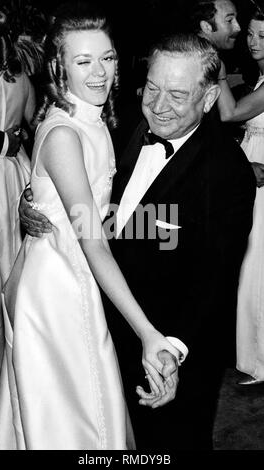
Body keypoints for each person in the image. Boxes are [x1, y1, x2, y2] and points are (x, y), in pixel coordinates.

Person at [19, 32, 256, 450]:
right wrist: (35, 199)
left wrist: (171, 349)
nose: (159, 106)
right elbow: (78, 185)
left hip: (169, 343)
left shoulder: (227, 173)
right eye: (152, 88)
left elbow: (214, 282)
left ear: (208, 98)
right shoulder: (122, 122)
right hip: (97, 324)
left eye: (178, 95)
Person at [0, 2, 178, 450]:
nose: (100, 73)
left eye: (108, 58)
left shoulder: (88, 120)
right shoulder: (66, 133)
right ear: (59, 67)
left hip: (69, 275)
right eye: (83, 61)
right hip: (56, 290)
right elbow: (94, 244)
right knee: (71, 415)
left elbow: (75, 209)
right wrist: (149, 333)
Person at [0, 1, 35, 402]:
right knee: (14, 271)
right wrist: (9, 136)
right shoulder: (17, 66)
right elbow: (30, 114)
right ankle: (20, 364)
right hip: (14, 174)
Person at [217, 1, 264, 385]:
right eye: (249, 33)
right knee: (248, 263)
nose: (251, 41)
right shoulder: (258, 77)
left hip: (260, 171)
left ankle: (260, 361)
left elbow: (231, 114)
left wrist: (216, 75)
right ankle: (252, 356)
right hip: (249, 164)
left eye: (262, 36)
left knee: (256, 267)